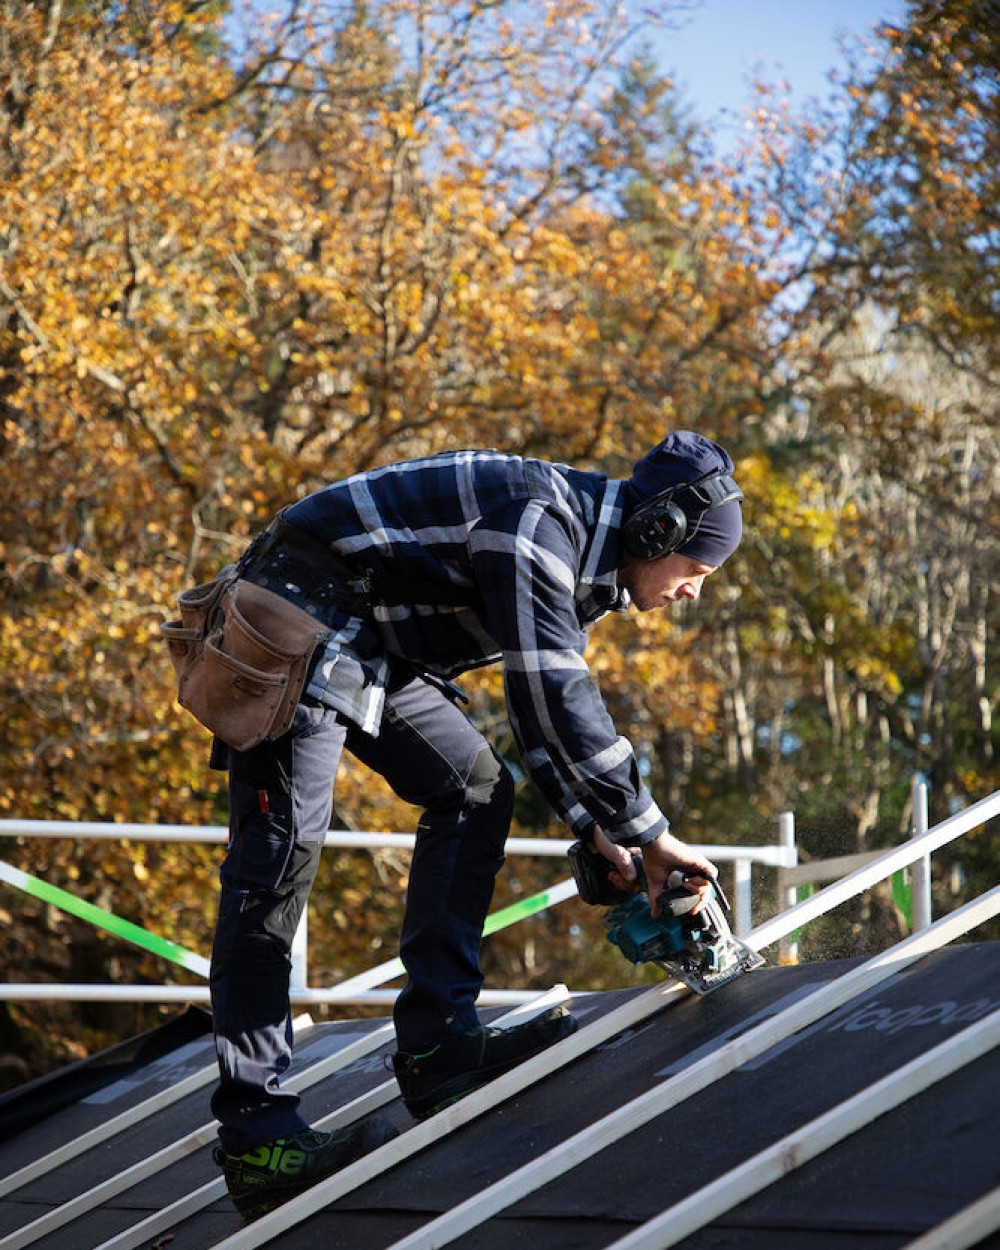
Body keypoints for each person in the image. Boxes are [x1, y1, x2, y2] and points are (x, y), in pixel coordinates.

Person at [205, 430, 744, 1219]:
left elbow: (542, 712)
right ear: (655, 532)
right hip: (294, 618)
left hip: (369, 641)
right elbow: (557, 699)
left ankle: (438, 1044)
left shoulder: (577, 552)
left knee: (476, 786)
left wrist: (607, 831)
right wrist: (648, 829)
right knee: (278, 862)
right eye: (695, 571)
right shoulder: (536, 527)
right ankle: (259, 1139)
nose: (695, 591)